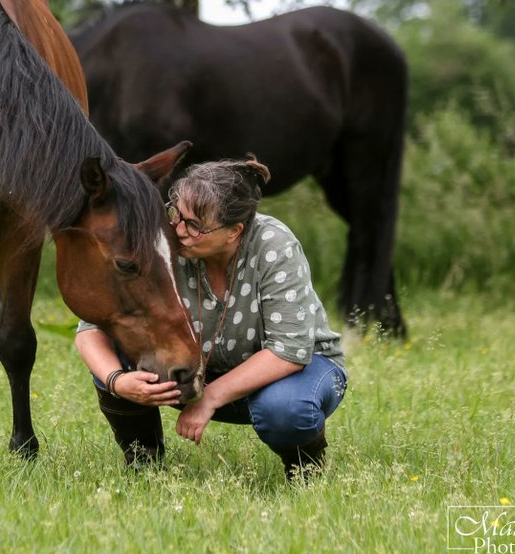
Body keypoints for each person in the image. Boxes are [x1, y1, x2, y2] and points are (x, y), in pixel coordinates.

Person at [74, 156, 347, 479]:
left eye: (195, 225)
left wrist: (210, 399)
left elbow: (288, 351)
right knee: (118, 358)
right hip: (198, 370)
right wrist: (117, 382)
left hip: (292, 372)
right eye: (176, 214)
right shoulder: (162, 240)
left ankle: (305, 468)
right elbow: (92, 328)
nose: (178, 230)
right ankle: (143, 465)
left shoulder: (274, 245)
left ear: (234, 232)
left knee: (284, 408)